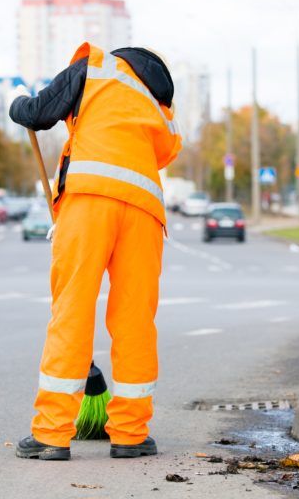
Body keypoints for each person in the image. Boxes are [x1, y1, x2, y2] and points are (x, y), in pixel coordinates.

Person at [9, 42, 182, 460]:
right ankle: (131, 434)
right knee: (136, 320)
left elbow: (39, 113)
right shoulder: (160, 103)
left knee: (71, 310)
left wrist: (17, 105)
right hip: (144, 210)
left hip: (89, 203)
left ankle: (52, 434)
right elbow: (164, 154)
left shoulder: (98, 66)